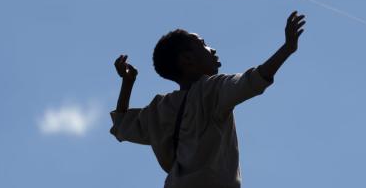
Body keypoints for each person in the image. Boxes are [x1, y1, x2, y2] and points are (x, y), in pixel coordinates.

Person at [110, 11, 306, 188]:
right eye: (203, 44)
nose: (211, 49)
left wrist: (127, 83)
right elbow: (253, 80)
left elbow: (121, 126)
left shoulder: (159, 109)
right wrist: (287, 48)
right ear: (187, 60)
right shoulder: (212, 89)